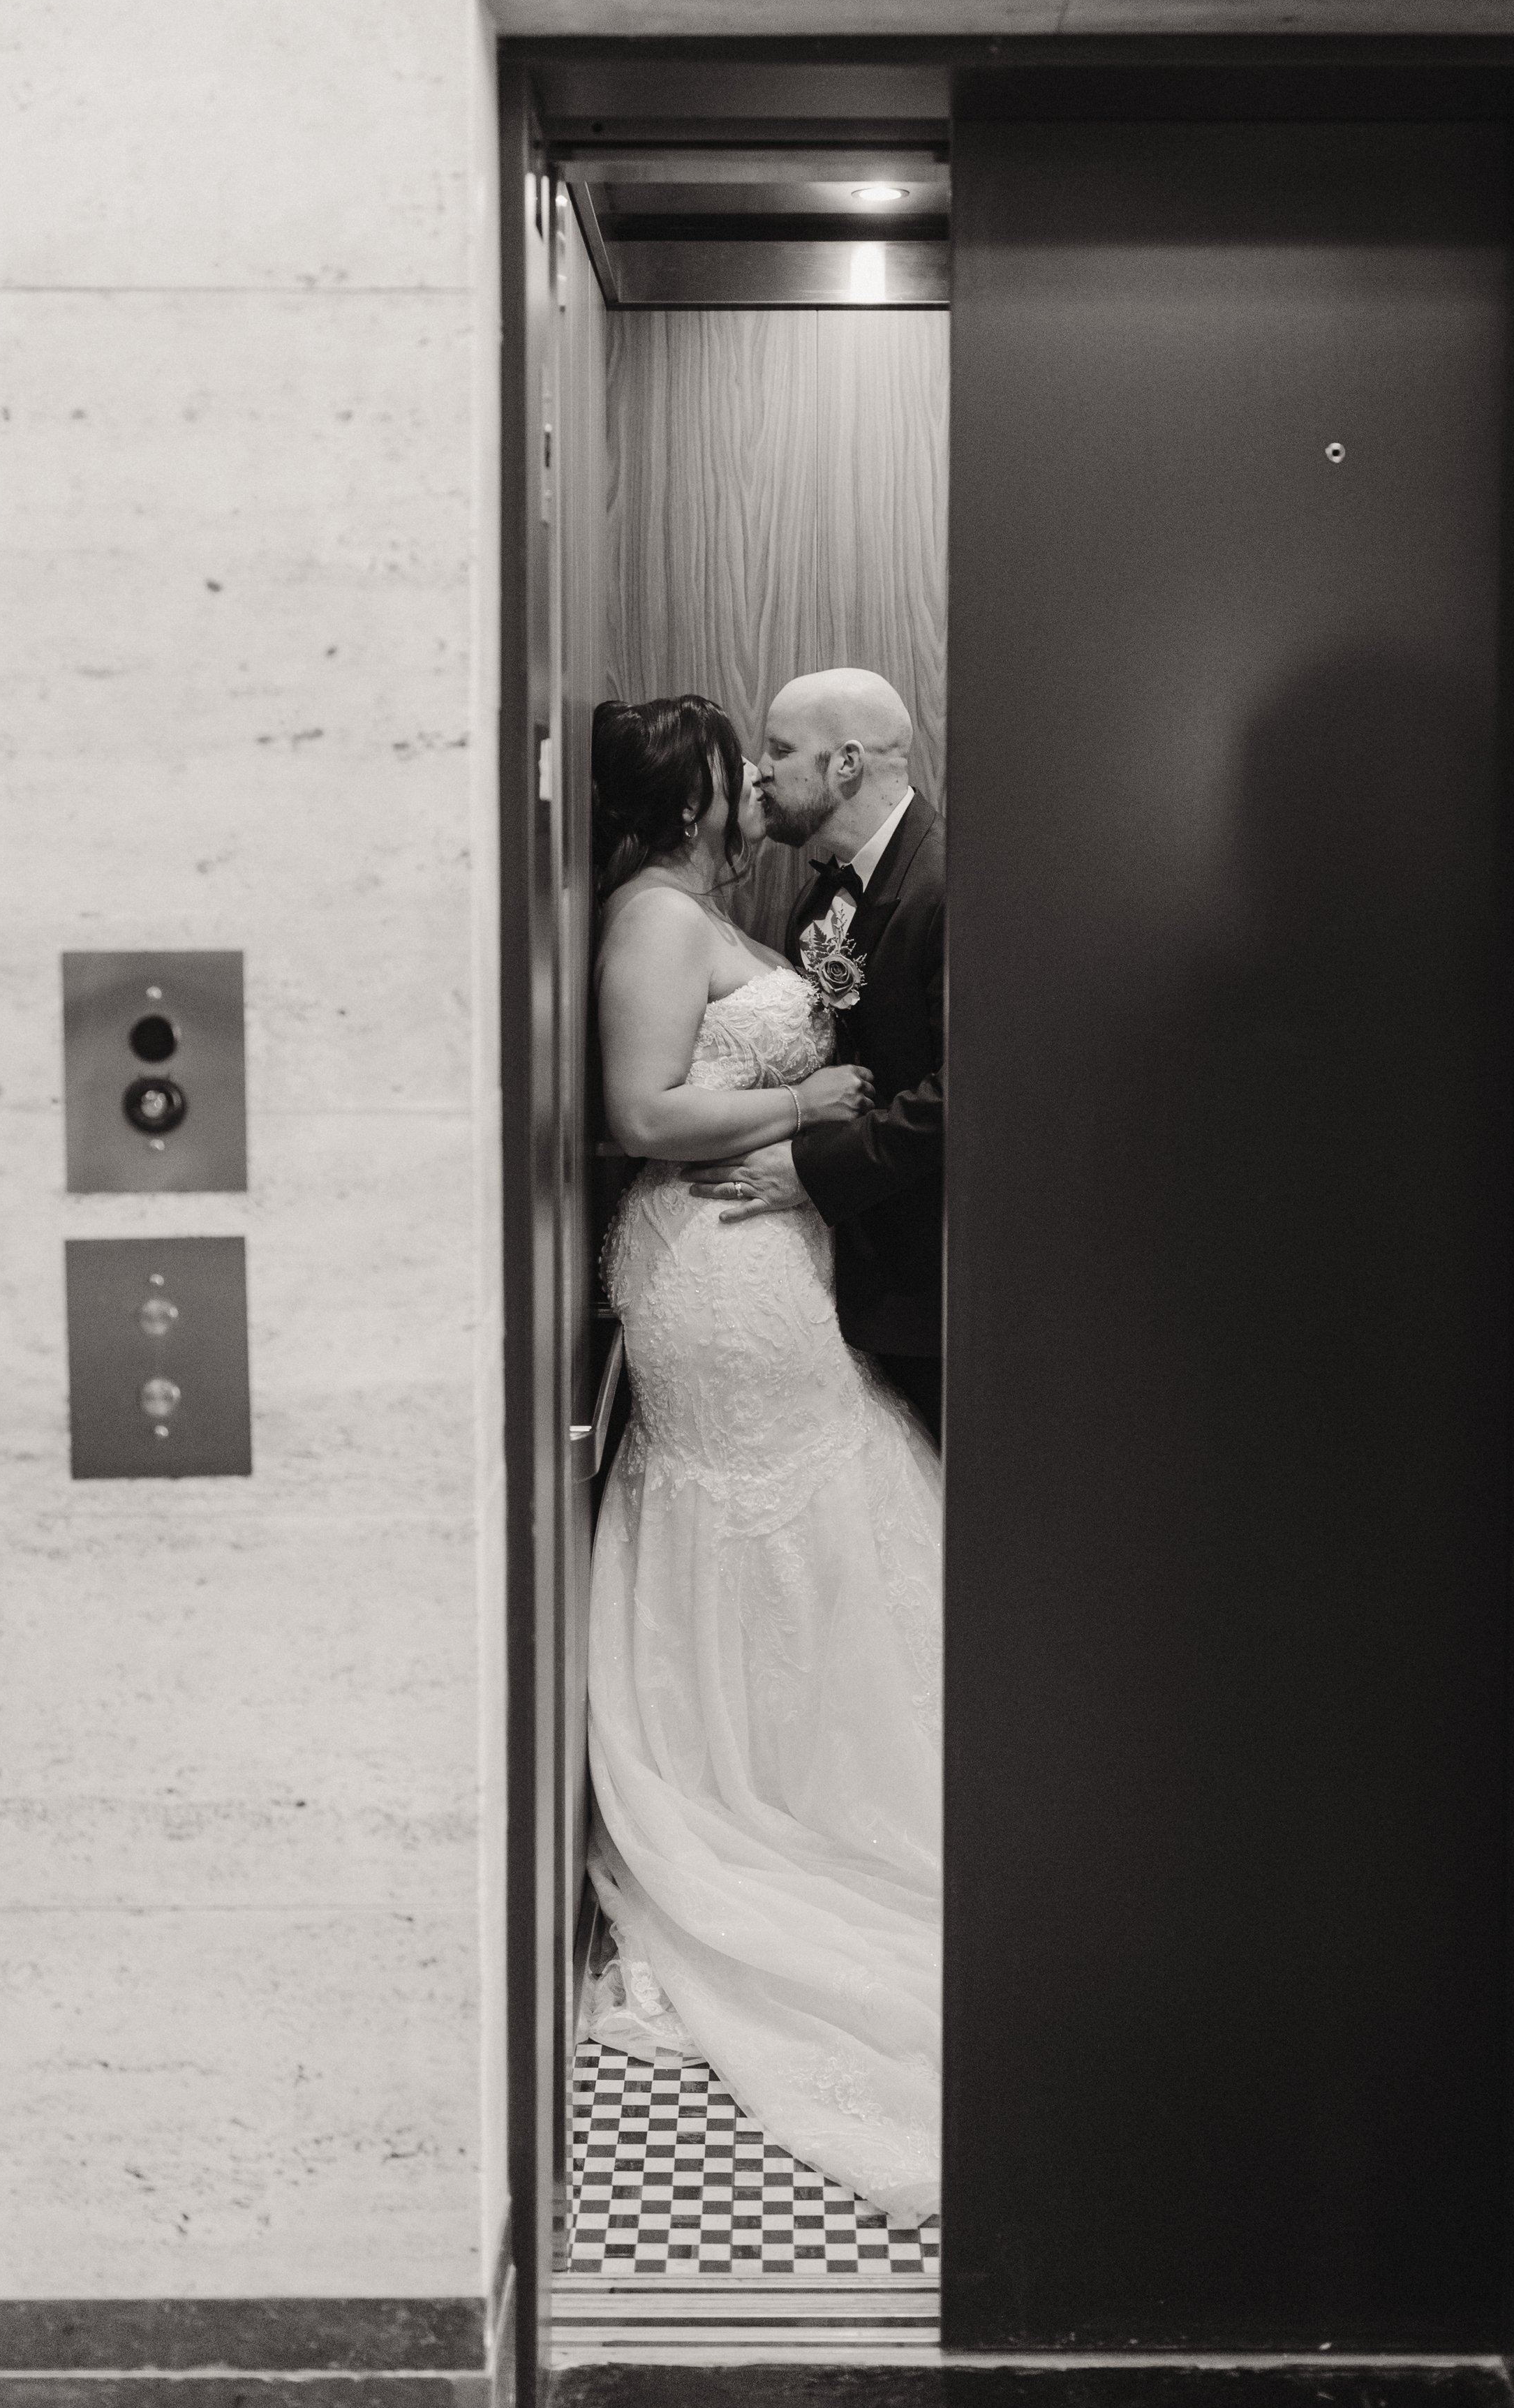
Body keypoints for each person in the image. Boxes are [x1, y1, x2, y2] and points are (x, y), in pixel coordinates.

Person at [581, 692, 942, 2229]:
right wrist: (800, 1101)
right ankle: (763, 1805)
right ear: (699, 796)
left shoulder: (759, 907)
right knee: (766, 1509)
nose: (763, 788)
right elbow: (640, 1107)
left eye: (782, 761)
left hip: (774, 1251)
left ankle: (834, 1775)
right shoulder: (655, 923)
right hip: (715, 1270)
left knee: (836, 1498)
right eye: (748, 768)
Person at [690, 669, 944, 1443]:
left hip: (934, 1270)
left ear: (846, 764)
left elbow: (972, 1091)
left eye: (779, 750)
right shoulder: (821, 897)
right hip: (849, 1273)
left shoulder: (949, 883)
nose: (762, 772)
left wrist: (812, 1169)